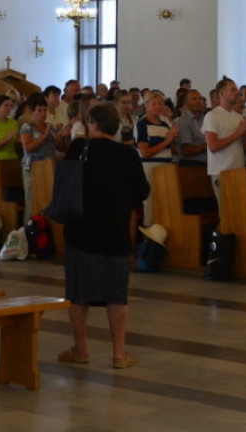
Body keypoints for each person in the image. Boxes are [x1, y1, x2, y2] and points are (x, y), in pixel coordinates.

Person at [57, 102, 148, 370]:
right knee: (117, 297)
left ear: (93, 124)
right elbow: (142, 192)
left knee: (78, 295)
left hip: (81, 231)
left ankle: (81, 349)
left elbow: (63, 182)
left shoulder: (78, 149)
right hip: (115, 232)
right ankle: (119, 354)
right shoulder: (128, 154)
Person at [202, 77, 246, 204]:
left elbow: (243, 148)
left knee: (239, 213)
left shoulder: (238, 117)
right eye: (233, 89)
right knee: (227, 215)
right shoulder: (212, 116)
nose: (237, 93)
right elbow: (212, 146)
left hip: (238, 170)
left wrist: (245, 135)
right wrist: (238, 133)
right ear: (223, 93)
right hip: (222, 172)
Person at [135, 91, 177, 226]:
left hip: (166, 167)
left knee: (166, 202)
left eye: (160, 104)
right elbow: (145, 152)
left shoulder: (164, 123)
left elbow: (173, 149)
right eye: (154, 104)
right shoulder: (142, 124)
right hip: (150, 167)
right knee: (151, 203)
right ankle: (149, 233)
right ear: (146, 106)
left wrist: (173, 139)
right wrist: (166, 141)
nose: (158, 107)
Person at [20, 95, 58, 219]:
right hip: (32, 170)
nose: (43, 113)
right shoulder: (27, 127)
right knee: (32, 204)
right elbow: (28, 147)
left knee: (48, 203)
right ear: (32, 112)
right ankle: (27, 233)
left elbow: (60, 148)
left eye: (44, 110)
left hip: (49, 170)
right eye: (39, 110)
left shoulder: (49, 127)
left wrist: (61, 137)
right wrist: (45, 134)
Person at [175, 88, 207, 166]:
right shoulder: (184, 120)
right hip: (191, 165)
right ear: (186, 103)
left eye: (200, 98)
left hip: (207, 164)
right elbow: (186, 150)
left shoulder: (205, 118)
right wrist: (209, 145)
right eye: (194, 99)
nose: (199, 101)